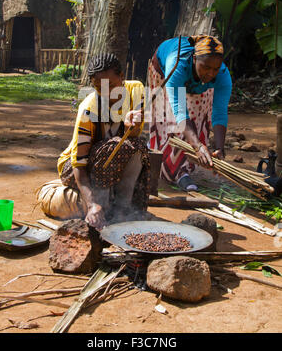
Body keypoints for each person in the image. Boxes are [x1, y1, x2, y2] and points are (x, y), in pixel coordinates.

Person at [57, 52, 150, 230]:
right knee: (112, 147)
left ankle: (123, 208)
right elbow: (79, 164)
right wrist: (92, 204)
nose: (106, 93)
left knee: (138, 146)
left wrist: (131, 124)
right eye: (99, 88)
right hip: (74, 167)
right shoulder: (88, 109)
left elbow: (135, 134)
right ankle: (103, 208)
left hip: (109, 161)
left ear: (122, 77)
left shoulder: (136, 90)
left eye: (111, 85)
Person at [148, 34, 232, 191]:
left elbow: (219, 112)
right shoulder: (177, 66)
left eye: (215, 68)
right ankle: (174, 170)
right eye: (206, 67)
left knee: (198, 118)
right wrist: (198, 146)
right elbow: (180, 112)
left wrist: (220, 148)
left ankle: (184, 169)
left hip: (195, 83)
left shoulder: (222, 75)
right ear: (194, 58)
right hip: (163, 71)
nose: (210, 73)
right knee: (170, 121)